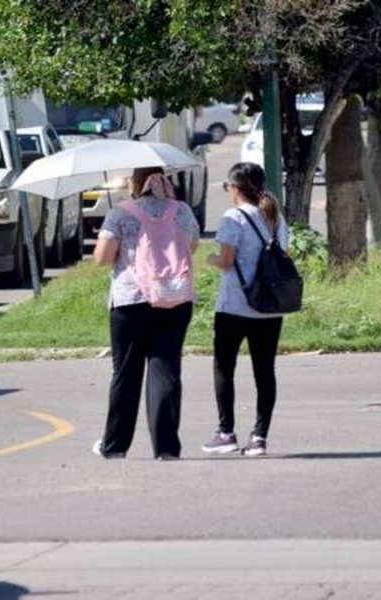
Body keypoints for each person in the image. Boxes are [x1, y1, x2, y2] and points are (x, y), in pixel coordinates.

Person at [92, 166, 200, 460]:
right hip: (175, 297)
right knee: (165, 370)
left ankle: (115, 446)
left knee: (125, 373)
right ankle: (166, 448)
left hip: (130, 301)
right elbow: (191, 246)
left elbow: (102, 258)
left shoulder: (121, 213)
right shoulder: (182, 211)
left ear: (135, 183)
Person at [202, 162, 289, 457]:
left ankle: (226, 433)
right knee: (265, 370)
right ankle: (259, 437)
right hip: (270, 306)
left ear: (236, 189)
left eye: (227, 187)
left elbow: (226, 261)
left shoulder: (233, 217)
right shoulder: (275, 217)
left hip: (235, 307)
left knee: (224, 368)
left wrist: (210, 259)